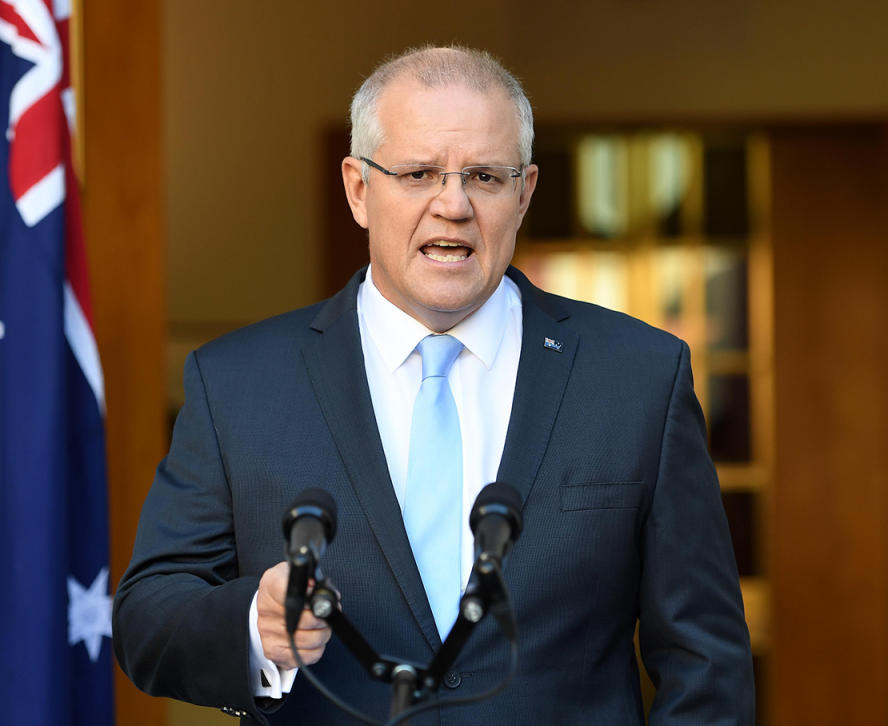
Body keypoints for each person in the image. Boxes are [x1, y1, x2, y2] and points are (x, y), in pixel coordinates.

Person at [113, 45, 755, 724]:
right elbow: (149, 617)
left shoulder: (638, 377)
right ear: (359, 189)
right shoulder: (237, 383)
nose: (453, 205)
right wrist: (250, 627)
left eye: (483, 175)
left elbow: (705, 663)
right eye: (419, 173)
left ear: (524, 193)